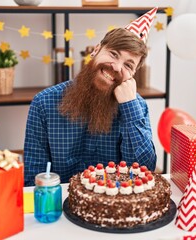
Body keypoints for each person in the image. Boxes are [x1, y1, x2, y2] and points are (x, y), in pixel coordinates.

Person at [24, 8, 158, 185]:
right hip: (59, 206)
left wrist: (129, 107)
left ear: (132, 74)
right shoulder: (44, 103)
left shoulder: (137, 107)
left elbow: (144, 171)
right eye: (113, 54)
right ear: (96, 50)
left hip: (115, 204)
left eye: (128, 65)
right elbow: (33, 177)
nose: (117, 67)